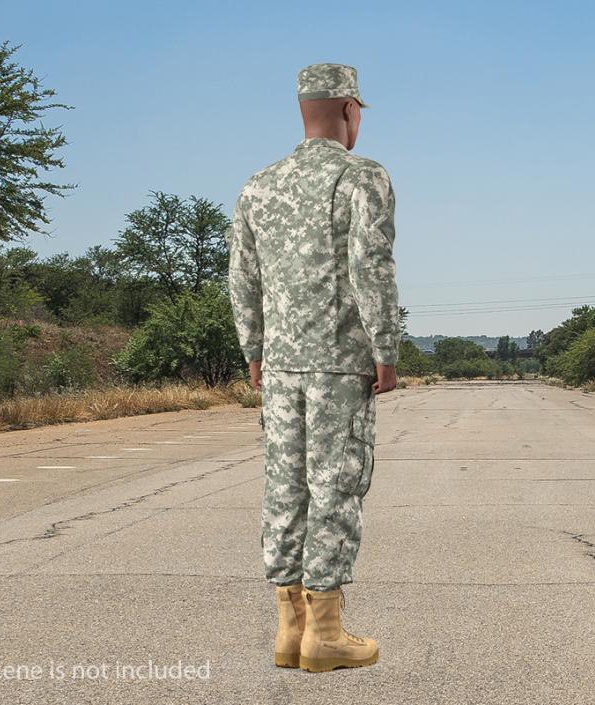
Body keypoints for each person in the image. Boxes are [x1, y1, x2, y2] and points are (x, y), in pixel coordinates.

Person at [227, 62, 400, 673]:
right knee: (335, 484)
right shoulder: (363, 176)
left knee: (284, 486)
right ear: (350, 110)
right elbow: (370, 266)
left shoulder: (258, 184)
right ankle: (324, 634)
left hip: (279, 366)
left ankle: (287, 629)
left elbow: (242, 279)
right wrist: (386, 348)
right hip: (338, 364)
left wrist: (253, 350)